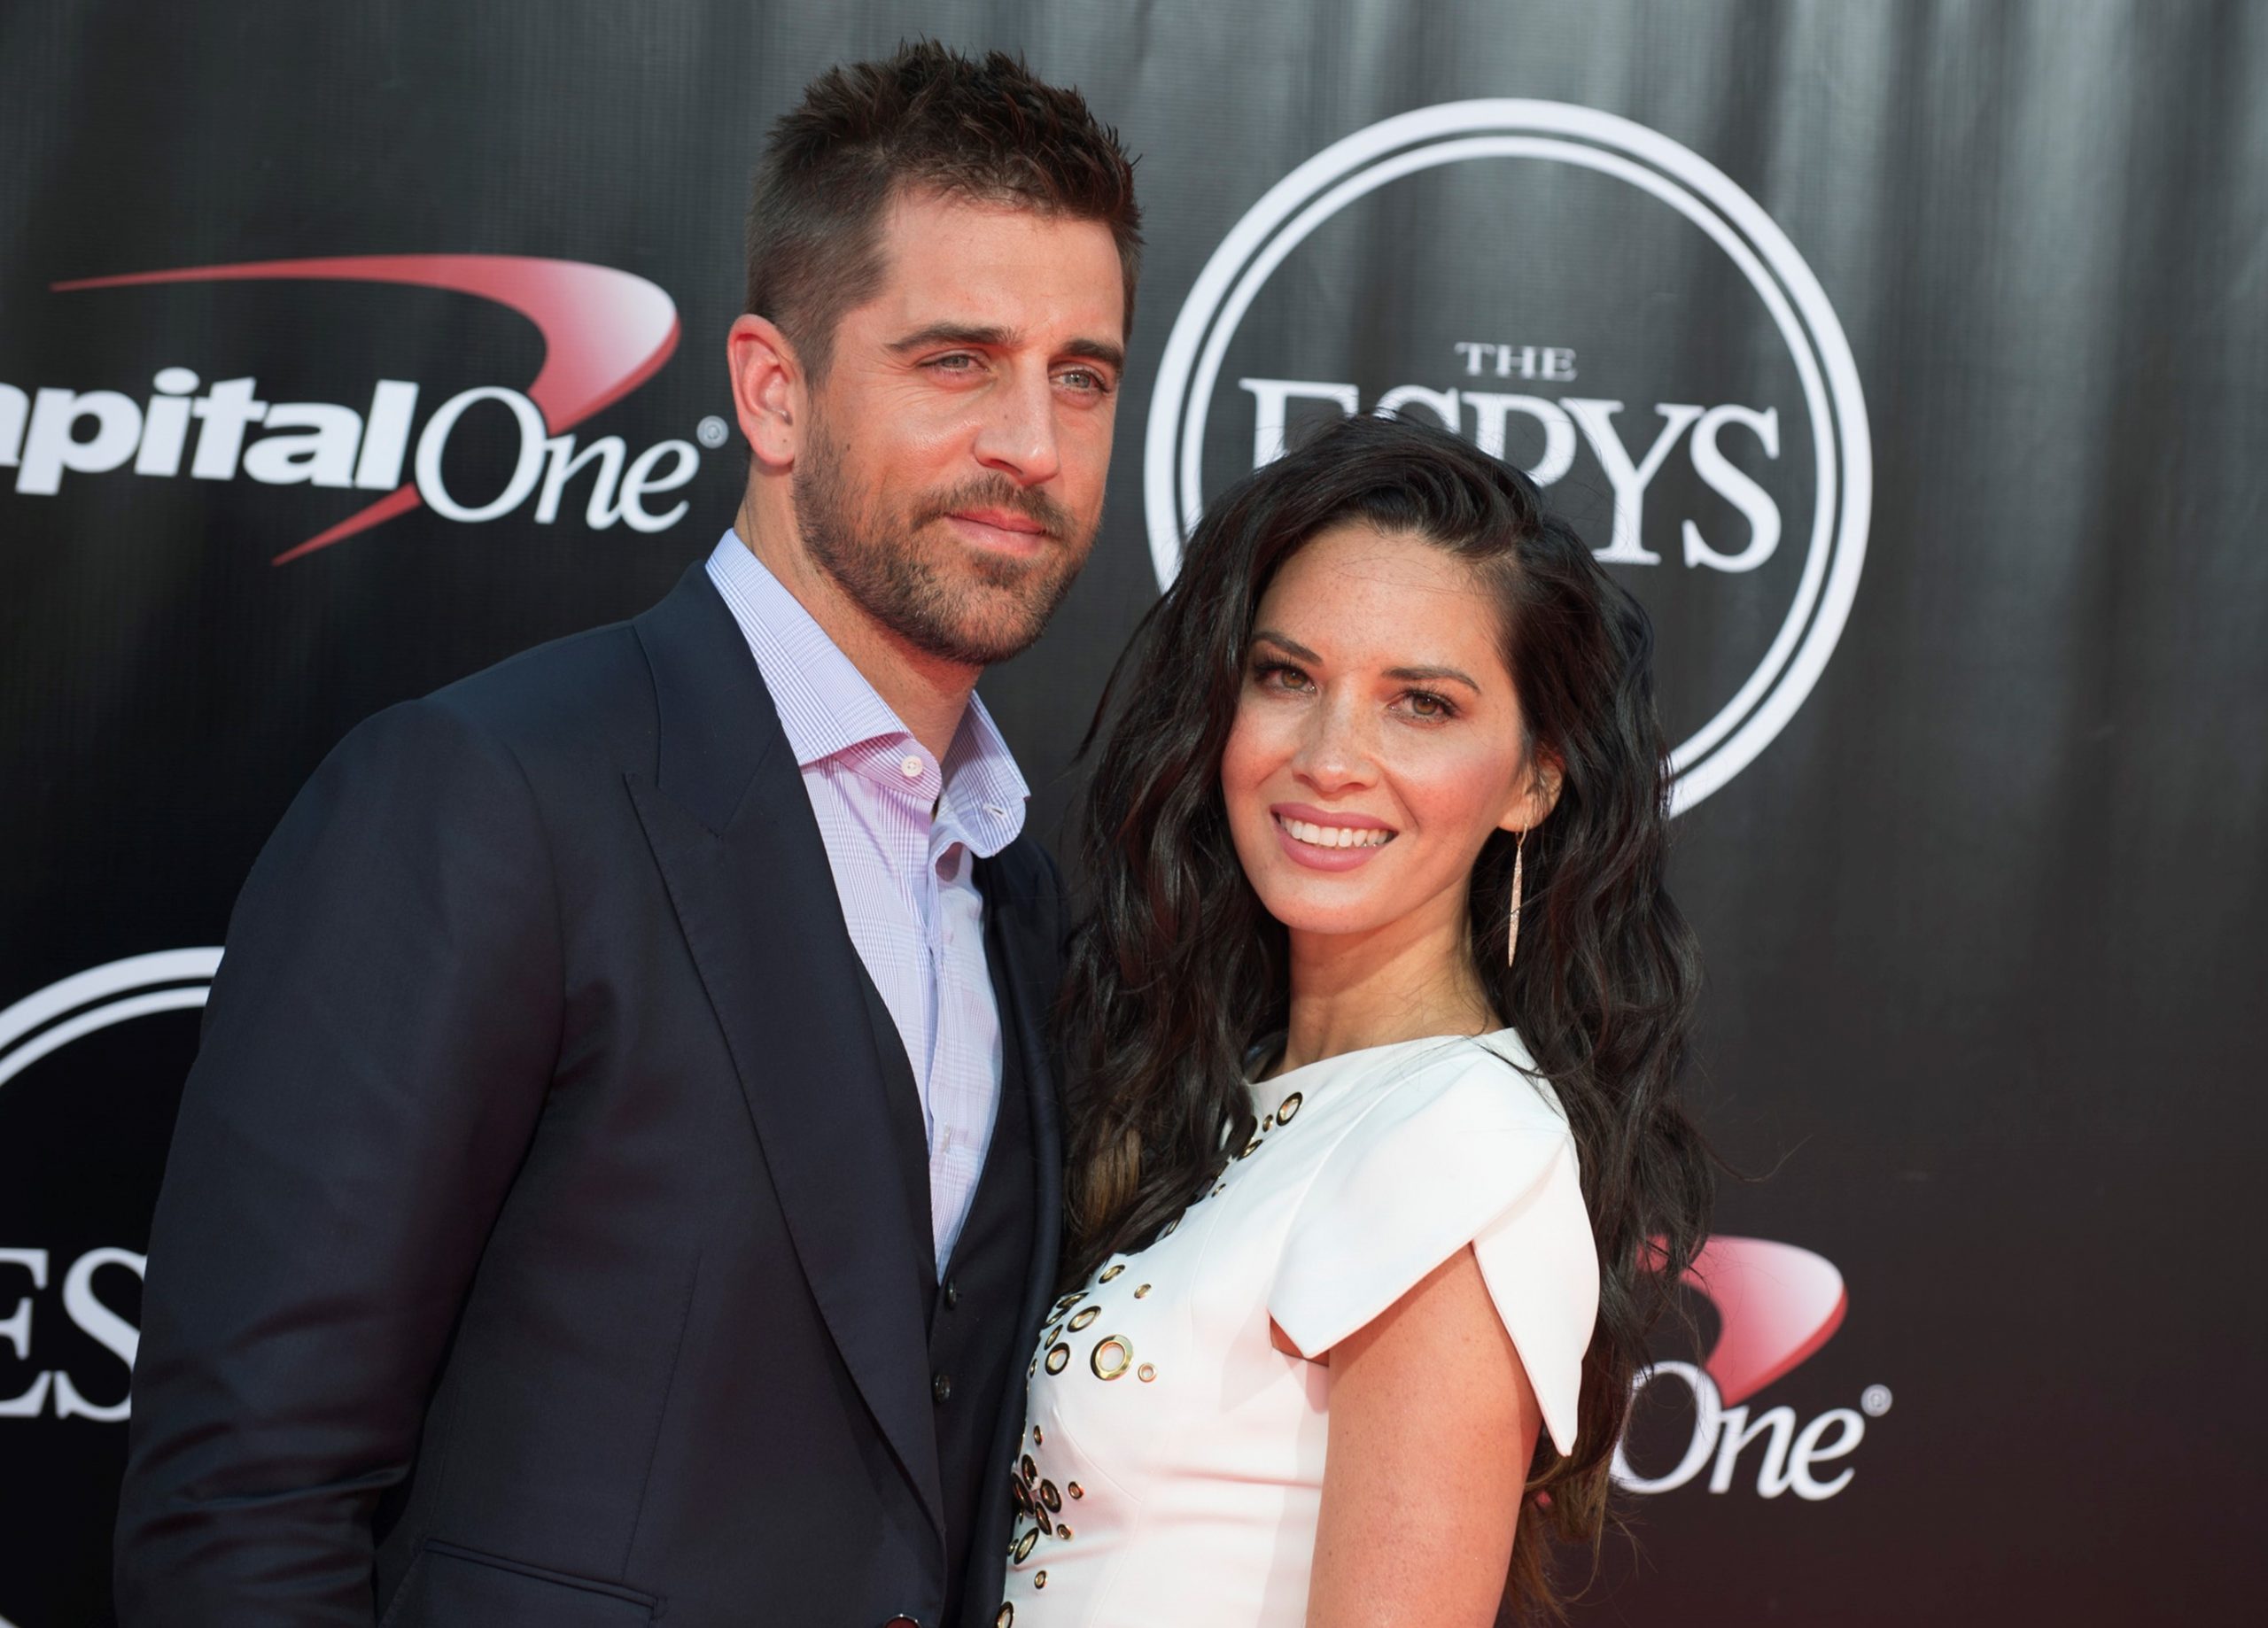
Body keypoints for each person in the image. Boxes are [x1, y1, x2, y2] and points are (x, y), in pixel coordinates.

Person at [114, 44, 1138, 1628]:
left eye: (1082, 374)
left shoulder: (1016, 885)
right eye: (958, 360)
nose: (1034, 441)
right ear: (770, 389)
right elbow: (244, 1499)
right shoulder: (484, 799)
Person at [999, 412, 1713, 1625]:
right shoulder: (1245, 1087)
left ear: (1535, 776)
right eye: (1288, 677)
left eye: (1420, 703)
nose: (1331, 756)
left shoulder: (1461, 1143)